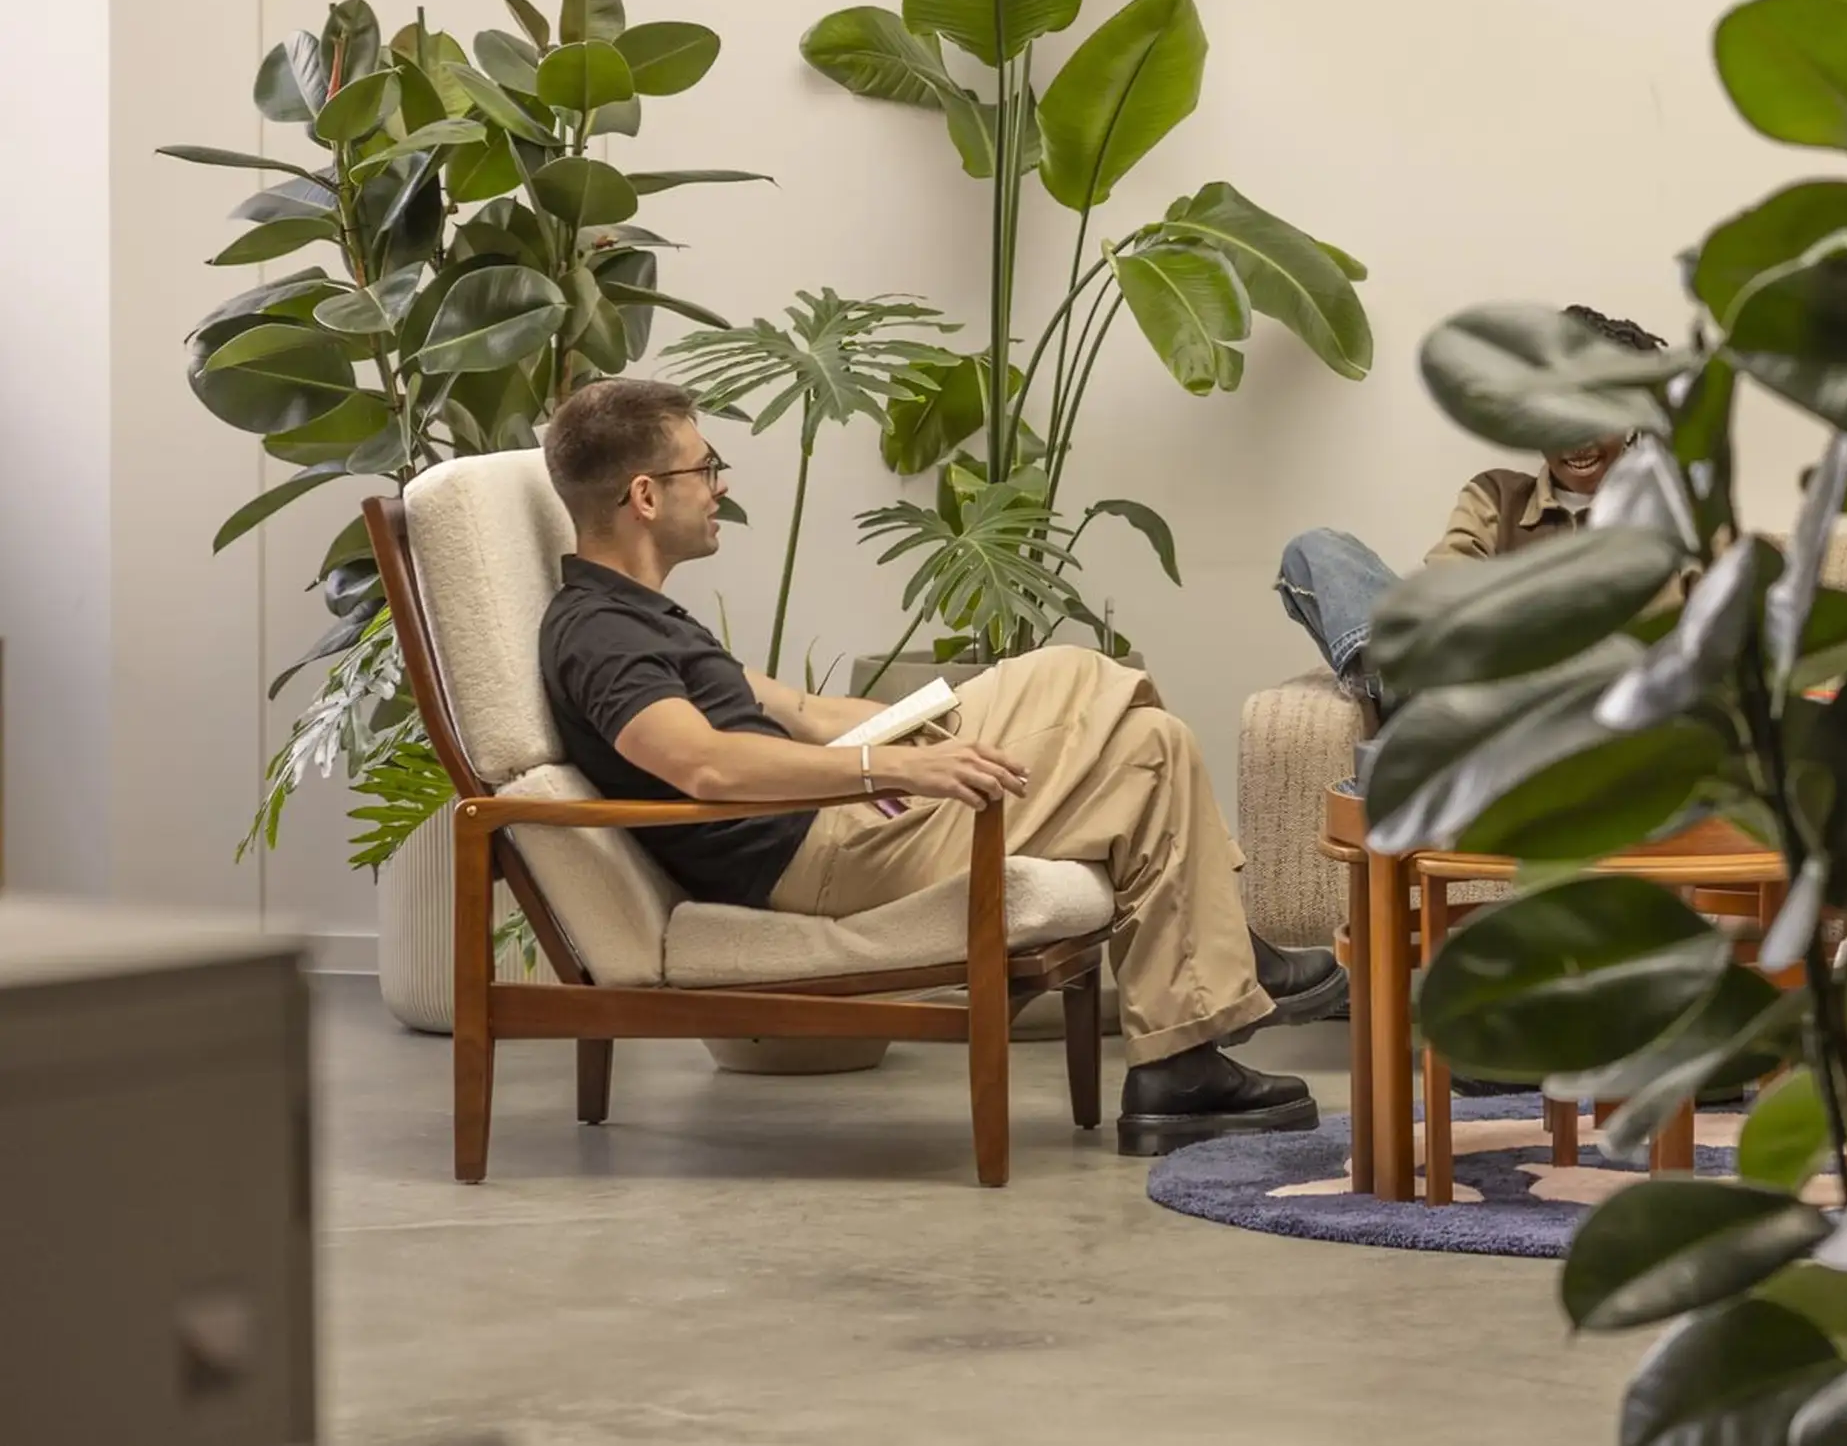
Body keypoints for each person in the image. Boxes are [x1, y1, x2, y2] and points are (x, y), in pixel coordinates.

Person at [531, 376, 1327, 1152]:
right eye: (703, 468)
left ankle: (1179, 1071)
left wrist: (918, 734)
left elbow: (805, 712)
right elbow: (703, 766)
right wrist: (892, 769)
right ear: (643, 495)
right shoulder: (601, 635)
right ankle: (1218, 989)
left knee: (1151, 744)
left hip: (840, 818)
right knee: (1084, 681)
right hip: (816, 854)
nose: (719, 484)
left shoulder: (643, 616)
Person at [1275, 304, 1664, 719]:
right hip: (1479, 677)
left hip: (1595, 696)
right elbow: (1445, 594)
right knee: (1315, 551)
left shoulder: (1664, 508)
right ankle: (1417, 701)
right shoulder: (1495, 495)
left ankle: (1426, 717)